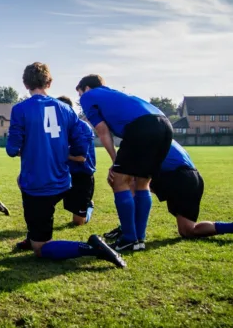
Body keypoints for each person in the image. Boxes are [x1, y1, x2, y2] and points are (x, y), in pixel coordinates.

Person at [7, 62, 125, 268]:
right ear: (49, 82)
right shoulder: (66, 110)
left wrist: (30, 147)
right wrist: (61, 151)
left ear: (25, 84)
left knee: (41, 248)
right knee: (32, 199)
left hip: (38, 185)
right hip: (63, 180)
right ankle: (34, 233)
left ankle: (91, 248)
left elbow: (11, 149)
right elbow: (81, 145)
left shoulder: (20, 109)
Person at [77, 75, 173, 251]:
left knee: (118, 180)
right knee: (142, 182)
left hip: (142, 126)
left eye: (80, 93)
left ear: (87, 88)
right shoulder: (114, 95)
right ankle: (139, 239)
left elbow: (103, 131)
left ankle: (129, 237)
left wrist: (115, 161)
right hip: (165, 124)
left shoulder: (88, 96)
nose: (80, 98)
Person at [105, 140, 233, 240]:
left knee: (124, 180)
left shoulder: (144, 135)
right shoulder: (159, 131)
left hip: (179, 177)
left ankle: (128, 229)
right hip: (193, 178)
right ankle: (230, 227)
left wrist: (115, 169)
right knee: (188, 231)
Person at [57, 96, 96, 226]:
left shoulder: (81, 128)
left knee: (78, 222)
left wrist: (60, 154)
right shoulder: (57, 127)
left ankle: (89, 207)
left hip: (82, 175)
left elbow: (81, 158)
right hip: (64, 173)